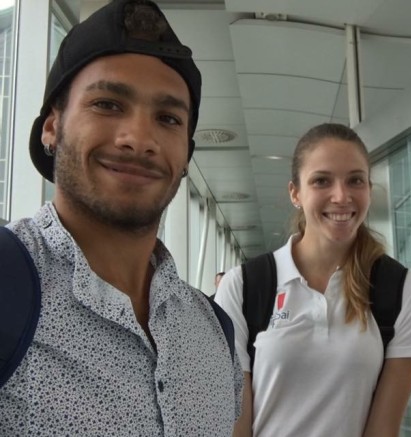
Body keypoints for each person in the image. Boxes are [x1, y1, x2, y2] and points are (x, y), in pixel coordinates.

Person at [0, 1, 242, 435]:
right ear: (51, 126)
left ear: (186, 155)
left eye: (168, 118)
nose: (140, 139)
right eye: (108, 104)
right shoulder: (7, 286)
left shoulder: (213, 330)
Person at [216, 123, 411, 437]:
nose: (341, 196)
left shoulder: (405, 291)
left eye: (355, 180)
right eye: (321, 180)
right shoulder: (242, 287)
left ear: (369, 189)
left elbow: (383, 429)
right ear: (295, 192)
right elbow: (235, 425)